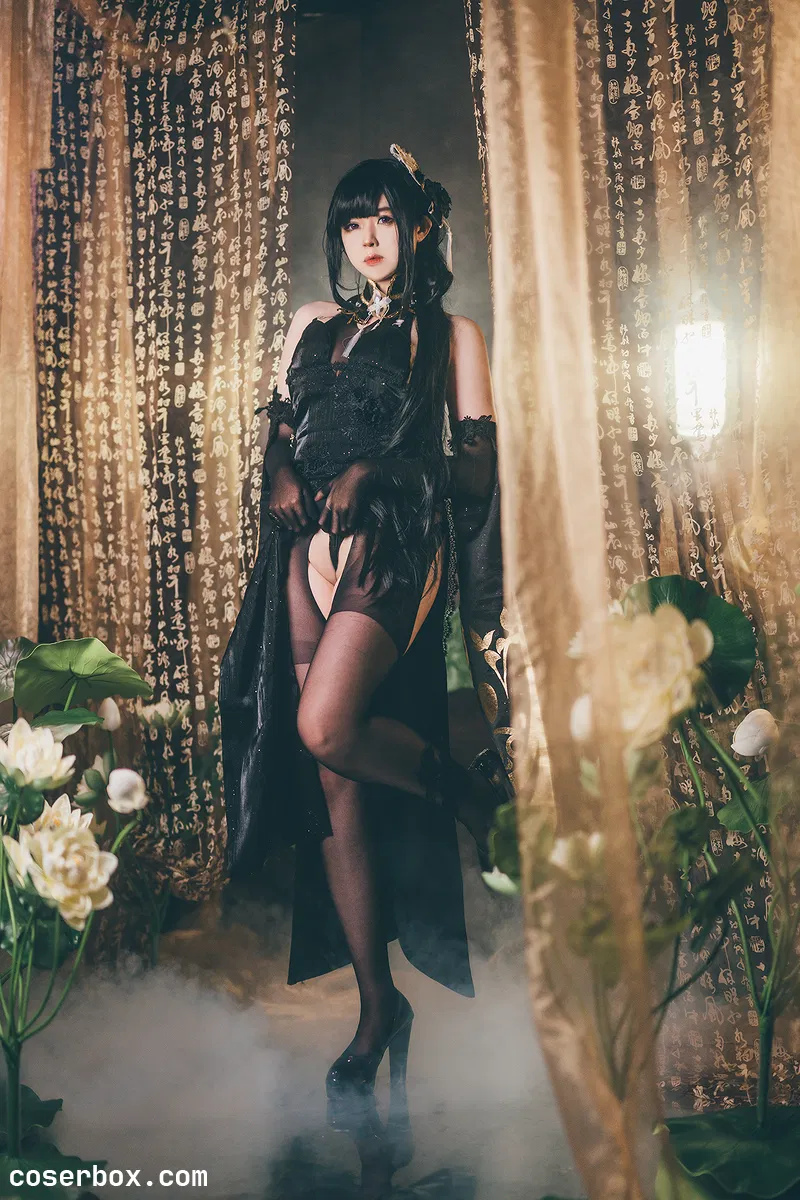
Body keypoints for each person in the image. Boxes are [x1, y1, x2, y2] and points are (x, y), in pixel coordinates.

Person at [219, 145, 512, 1132]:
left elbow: (474, 474)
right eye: (352, 222)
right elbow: (279, 433)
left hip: (391, 543)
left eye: (384, 217)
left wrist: (377, 475)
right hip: (300, 550)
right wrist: (280, 478)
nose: (368, 238)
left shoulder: (450, 334)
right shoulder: (313, 323)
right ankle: (377, 1007)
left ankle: (460, 789)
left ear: (418, 225)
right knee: (331, 777)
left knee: (326, 725)